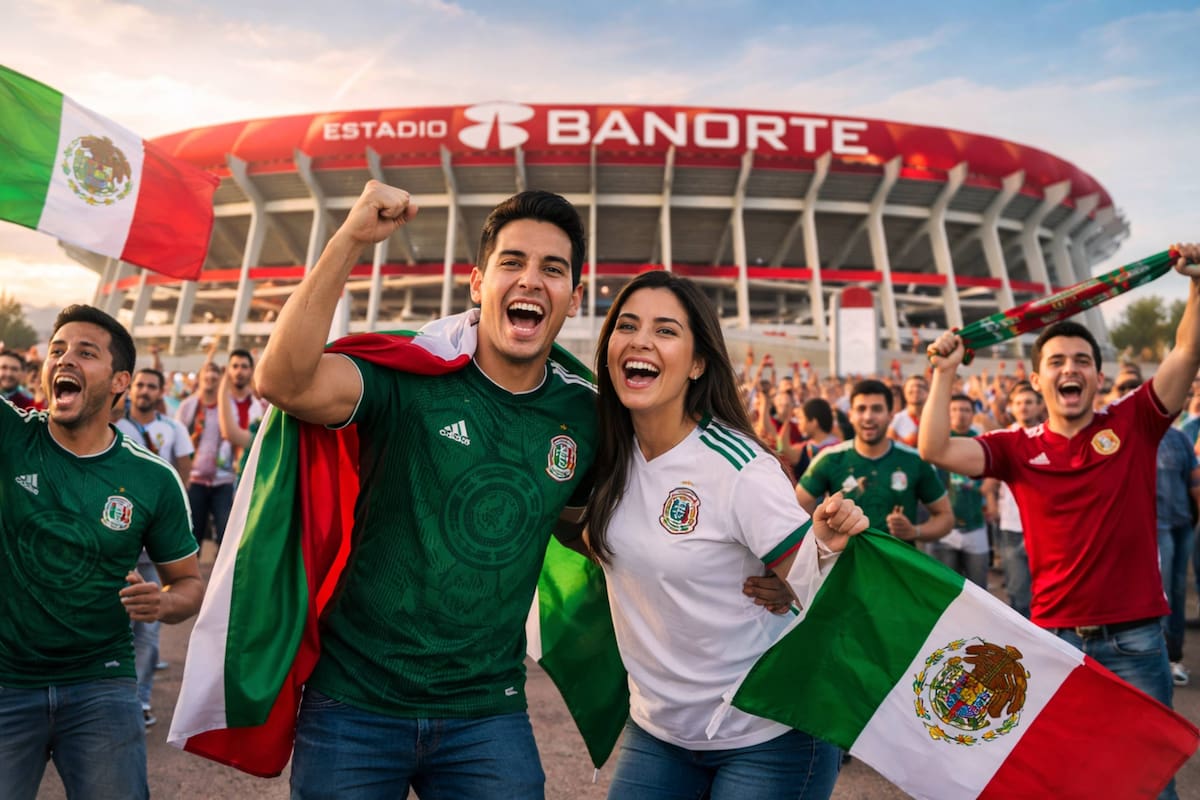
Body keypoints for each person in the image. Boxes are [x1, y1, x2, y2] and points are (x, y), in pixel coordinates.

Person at [255, 180, 599, 799]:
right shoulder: (409, 379)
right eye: (512, 262)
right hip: (354, 704)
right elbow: (284, 379)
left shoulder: (586, 416)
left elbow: (593, 523)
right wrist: (351, 237)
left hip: (487, 712)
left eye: (552, 269)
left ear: (573, 298)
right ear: (477, 283)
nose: (529, 280)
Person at [919, 242, 1200, 800]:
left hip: (1136, 642)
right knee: (1068, 779)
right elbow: (934, 447)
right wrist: (945, 373)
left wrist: (1195, 285)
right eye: (1056, 362)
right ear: (1037, 379)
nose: (1069, 370)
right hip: (1053, 641)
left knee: (1148, 783)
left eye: (1080, 362)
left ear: (1097, 376)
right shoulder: (1016, 447)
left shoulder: (1136, 420)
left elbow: (1188, 351)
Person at [584, 270, 866, 799]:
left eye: (665, 330)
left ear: (697, 363)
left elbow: (823, 593)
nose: (641, 340)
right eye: (627, 325)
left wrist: (820, 552)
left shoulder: (739, 468)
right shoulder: (606, 457)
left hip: (769, 730)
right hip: (659, 730)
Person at [0, 305, 202, 800]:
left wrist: (164, 603)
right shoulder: (10, 436)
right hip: (7, 679)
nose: (64, 360)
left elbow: (189, 583)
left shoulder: (153, 479)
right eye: (57, 351)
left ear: (119, 382)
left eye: (85, 353)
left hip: (101, 684)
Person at [115, 367, 195, 727]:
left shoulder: (173, 429)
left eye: (151, 386)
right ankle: (114, 697)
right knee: (117, 623)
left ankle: (140, 701)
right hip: (118, 539)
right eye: (140, 385)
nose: (144, 391)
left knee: (147, 624)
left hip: (154, 546)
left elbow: (184, 475)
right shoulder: (115, 426)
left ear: (162, 391)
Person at [797, 379, 953, 546]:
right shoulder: (830, 458)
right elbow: (797, 507)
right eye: (861, 409)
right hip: (846, 566)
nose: (868, 417)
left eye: (877, 409)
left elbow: (945, 517)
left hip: (897, 567)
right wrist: (822, 539)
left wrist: (914, 531)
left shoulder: (915, 460)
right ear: (850, 415)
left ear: (891, 415)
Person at [176, 350, 262, 549]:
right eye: (235, 366)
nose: (210, 378)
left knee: (227, 538)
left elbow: (237, 436)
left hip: (227, 480)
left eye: (244, 366)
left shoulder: (246, 406)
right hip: (194, 480)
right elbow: (178, 440)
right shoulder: (190, 405)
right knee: (190, 538)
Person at [981, 381, 1044, 618]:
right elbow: (989, 481)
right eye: (1018, 403)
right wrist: (992, 501)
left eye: (1029, 402)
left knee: (1047, 593)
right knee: (1018, 593)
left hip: (1044, 529)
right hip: (1011, 526)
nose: (1024, 407)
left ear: (1040, 406)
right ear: (1012, 408)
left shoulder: (1050, 435)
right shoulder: (1005, 438)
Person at [927, 393, 989, 588]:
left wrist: (990, 490)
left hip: (975, 525)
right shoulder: (936, 442)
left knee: (979, 592)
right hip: (943, 529)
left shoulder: (983, 441)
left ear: (973, 414)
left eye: (965, 410)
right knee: (942, 591)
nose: (959, 414)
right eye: (954, 409)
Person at [886, 373, 928, 447]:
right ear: (904, 391)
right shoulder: (896, 419)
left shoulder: (935, 419)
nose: (916, 389)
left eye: (920, 386)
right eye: (912, 386)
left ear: (928, 392)